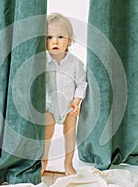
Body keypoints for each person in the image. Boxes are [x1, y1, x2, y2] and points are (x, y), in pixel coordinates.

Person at [42, 13, 87, 176]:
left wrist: (76, 101)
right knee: (46, 134)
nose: (55, 41)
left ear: (69, 40)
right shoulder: (42, 61)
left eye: (60, 37)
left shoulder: (75, 63)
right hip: (49, 106)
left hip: (69, 106)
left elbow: (81, 83)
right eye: (49, 37)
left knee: (69, 135)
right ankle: (43, 161)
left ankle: (68, 164)